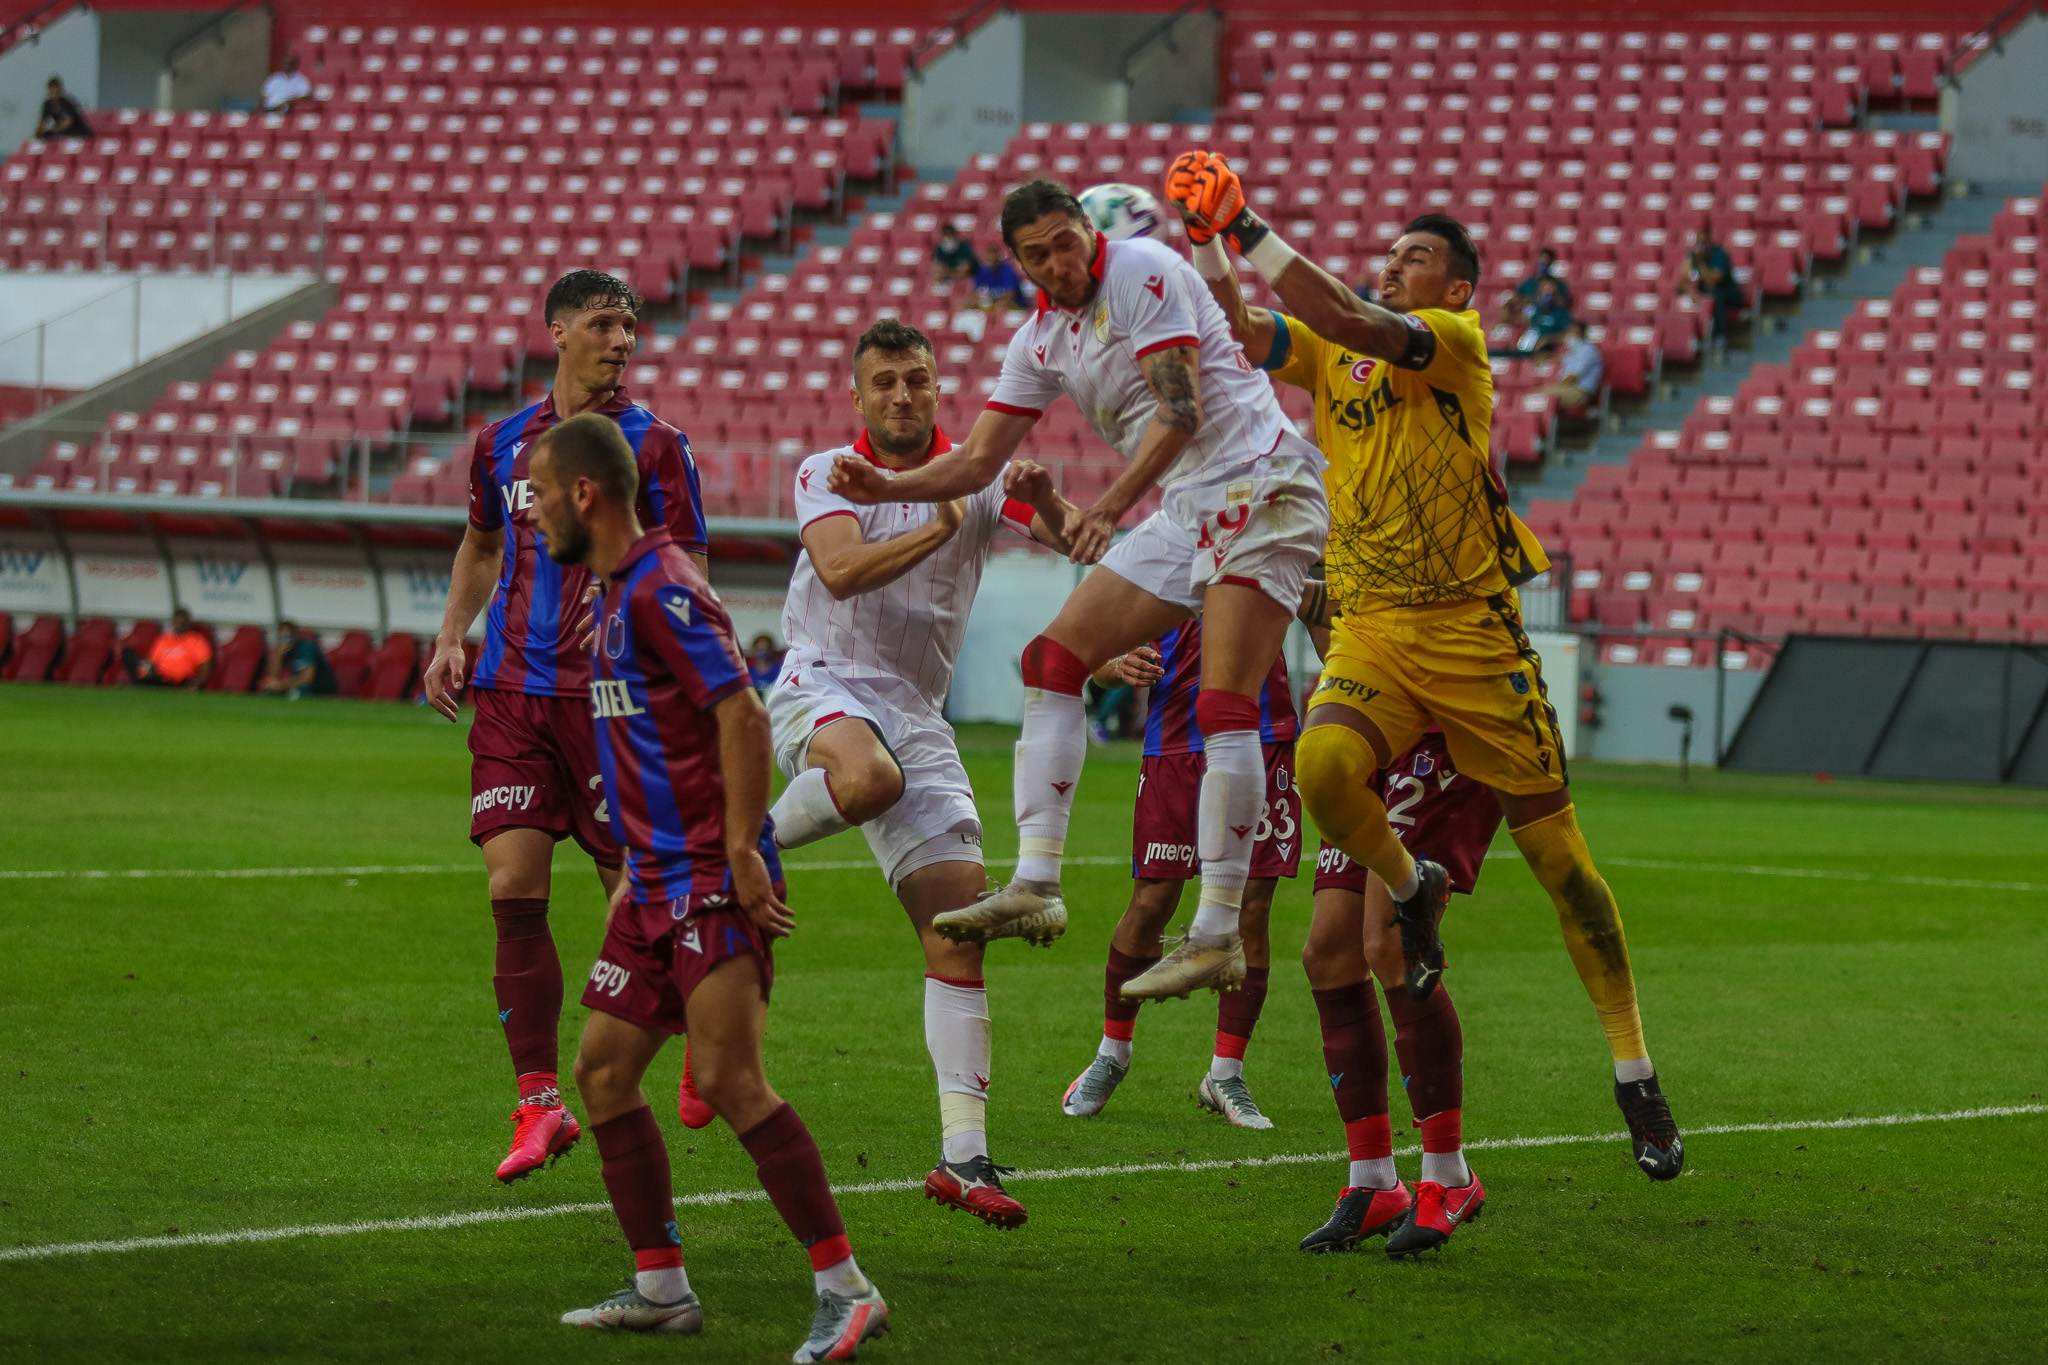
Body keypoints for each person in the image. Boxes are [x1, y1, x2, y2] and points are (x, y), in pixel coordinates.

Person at [1166, 150, 1684, 1180]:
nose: (1395, 265)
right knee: (1319, 772)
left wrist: (1249, 219)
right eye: (1390, 253)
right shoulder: (1331, 357)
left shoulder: (1449, 345)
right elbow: (1243, 330)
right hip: (1370, 632)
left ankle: (1633, 1072)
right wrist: (1204, 242)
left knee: (1563, 871)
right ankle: (1407, 887)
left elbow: (1357, 319)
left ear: (1456, 290)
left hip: (1471, 638)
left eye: (1417, 257)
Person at [825, 179, 1331, 1004]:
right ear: (1017, 262)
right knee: (1052, 658)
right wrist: (879, 487)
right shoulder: (1038, 339)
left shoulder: (1140, 268)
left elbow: (1179, 407)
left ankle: (1215, 934)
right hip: (1194, 504)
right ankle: (1036, 882)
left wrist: (1105, 507)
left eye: (1067, 240)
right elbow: (978, 460)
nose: (1060, 261)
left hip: (1262, 481)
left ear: (1085, 232)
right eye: (1039, 253)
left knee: (1223, 704)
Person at [525, 412, 889, 1357]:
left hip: (706, 879)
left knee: (730, 1078)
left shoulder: (662, 588)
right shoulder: (604, 593)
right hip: (651, 883)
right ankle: (660, 1287)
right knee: (602, 1075)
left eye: (538, 493)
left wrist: (739, 848)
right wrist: (632, 871)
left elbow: (740, 711)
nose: (529, 513)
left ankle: (846, 1286)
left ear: (584, 493)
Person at [765, 317, 1077, 1229]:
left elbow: (1080, 543)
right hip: (821, 680)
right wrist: (944, 517)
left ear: (938, 388)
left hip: (917, 711)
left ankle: (963, 1157)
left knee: (958, 928)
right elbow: (841, 570)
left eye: (917, 380)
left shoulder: (973, 479)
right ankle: (740, 845)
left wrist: (1047, 497)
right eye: (885, 383)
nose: (902, 396)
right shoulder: (828, 471)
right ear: (857, 397)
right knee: (869, 780)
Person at [420, 269, 709, 1185]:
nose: (621, 340)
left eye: (630, 326)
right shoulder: (501, 443)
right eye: (603, 324)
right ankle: (539, 1101)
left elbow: (690, 564)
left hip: (613, 702)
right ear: (556, 331)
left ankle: (705, 1024)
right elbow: (481, 544)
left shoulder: (657, 445)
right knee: (512, 887)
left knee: (642, 895)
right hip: (510, 693)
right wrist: (448, 638)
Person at [1060, 612, 1305, 1130]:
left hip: (1263, 734)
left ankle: (1225, 1074)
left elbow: (1322, 612)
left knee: (1252, 909)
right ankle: (1112, 1053)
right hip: (1175, 741)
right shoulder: (1160, 552)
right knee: (1152, 902)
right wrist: (1118, 666)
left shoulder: (1270, 542)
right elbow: (1094, 658)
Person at [1299, 724, 1501, 1258]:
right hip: (1363, 734)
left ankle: (1449, 1173)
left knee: (1393, 946)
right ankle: (1374, 1182)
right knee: (1329, 957)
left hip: (1436, 726)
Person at [122, 607, 211, 688]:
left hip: (179, 681)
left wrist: (196, 684)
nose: (180, 624)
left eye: (183, 622)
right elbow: (153, 661)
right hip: (159, 677)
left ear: (188, 622)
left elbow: (206, 666)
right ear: (173, 621)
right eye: (177, 621)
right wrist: (146, 668)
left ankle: (138, 683)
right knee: (128, 653)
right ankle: (140, 680)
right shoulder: (164, 639)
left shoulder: (196, 640)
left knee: (141, 679)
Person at [1684, 228, 1746, 340]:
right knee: (1680, 295)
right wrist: (1691, 290)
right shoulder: (1692, 255)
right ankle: (1689, 336)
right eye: (1699, 242)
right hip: (1707, 290)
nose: (1701, 245)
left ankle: (1720, 337)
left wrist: (1701, 262)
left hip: (1729, 292)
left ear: (1710, 240)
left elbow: (1713, 282)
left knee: (1714, 296)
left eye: (1704, 242)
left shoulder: (1719, 254)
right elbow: (1683, 280)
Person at [260, 619, 337, 697]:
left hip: (318, 685)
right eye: (282, 635)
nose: (285, 638)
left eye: (288, 634)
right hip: (298, 683)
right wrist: (278, 656)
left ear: (295, 634)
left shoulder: (306, 647)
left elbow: (308, 677)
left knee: (300, 690)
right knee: (269, 690)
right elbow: (272, 677)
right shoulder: (283, 650)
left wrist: (281, 686)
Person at [1542, 320, 1605, 412]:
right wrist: (1546, 357)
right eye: (1569, 331)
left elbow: (1572, 378)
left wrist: (1555, 386)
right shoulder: (1572, 351)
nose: (1570, 335)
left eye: (1574, 332)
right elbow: (1561, 358)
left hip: (1579, 392)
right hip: (1566, 389)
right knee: (1532, 395)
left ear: (1582, 334)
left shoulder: (1588, 351)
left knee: (1541, 397)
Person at [1516, 276, 1572, 357]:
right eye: (1543, 287)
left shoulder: (1561, 312)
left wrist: (1547, 339)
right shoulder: (1534, 309)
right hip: (1526, 348)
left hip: (1545, 351)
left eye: (1549, 288)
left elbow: (1567, 335)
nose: (1547, 292)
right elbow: (1522, 321)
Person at [970, 244, 1026, 311]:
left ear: (999, 259)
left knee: (1001, 307)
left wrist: (994, 306)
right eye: (989, 259)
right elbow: (974, 292)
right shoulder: (982, 271)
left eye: (993, 259)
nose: (991, 262)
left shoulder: (1007, 270)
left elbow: (1010, 295)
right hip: (993, 305)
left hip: (1016, 307)